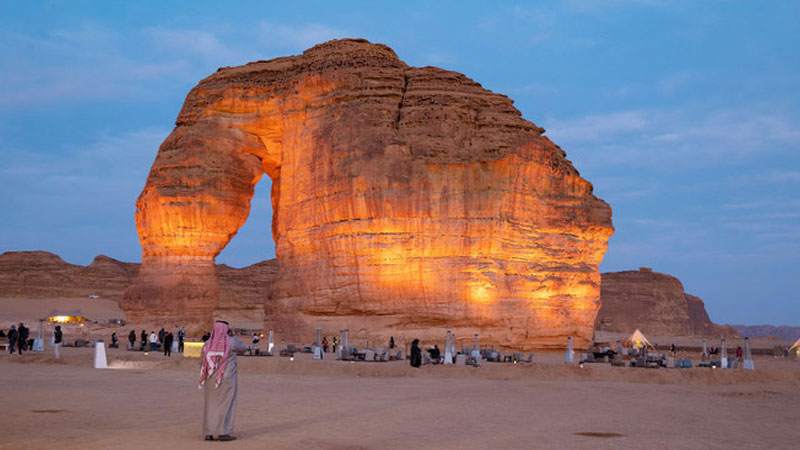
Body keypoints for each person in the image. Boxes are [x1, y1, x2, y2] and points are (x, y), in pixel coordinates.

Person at [200, 321, 249, 441]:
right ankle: (223, 432)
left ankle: (209, 432)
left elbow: (202, 361)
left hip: (210, 378)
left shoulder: (206, 344)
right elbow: (244, 349)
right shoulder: (231, 342)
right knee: (226, 404)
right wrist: (232, 335)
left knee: (210, 405)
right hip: (227, 378)